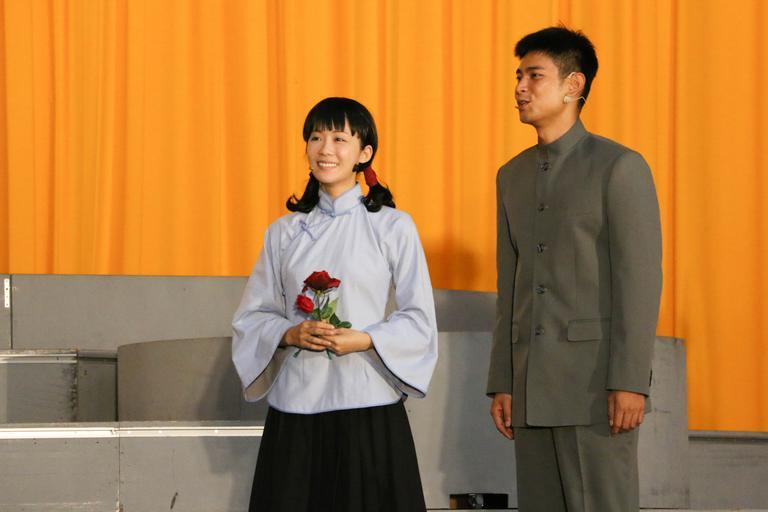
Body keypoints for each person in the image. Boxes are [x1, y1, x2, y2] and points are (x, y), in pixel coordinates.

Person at [232, 97, 437, 512]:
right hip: (296, 409)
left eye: (340, 139)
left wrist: (364, 339)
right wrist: (290, 333)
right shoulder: (283, 233)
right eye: (316, 137)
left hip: (367, 408)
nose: (325, 149)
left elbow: (418, 318)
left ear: (364, 153)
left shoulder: (392, 226)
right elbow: (252, 317)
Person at [486, 27, 662, 511]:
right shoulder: (511, 175)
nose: (520, 88)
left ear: (573, 85)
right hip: (529, 388)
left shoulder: (620, 167)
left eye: (534, 76)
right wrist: (503, 380)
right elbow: (510, 286)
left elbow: (639, 283)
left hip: (595, 389)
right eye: (518, 76)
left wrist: (630, 381)